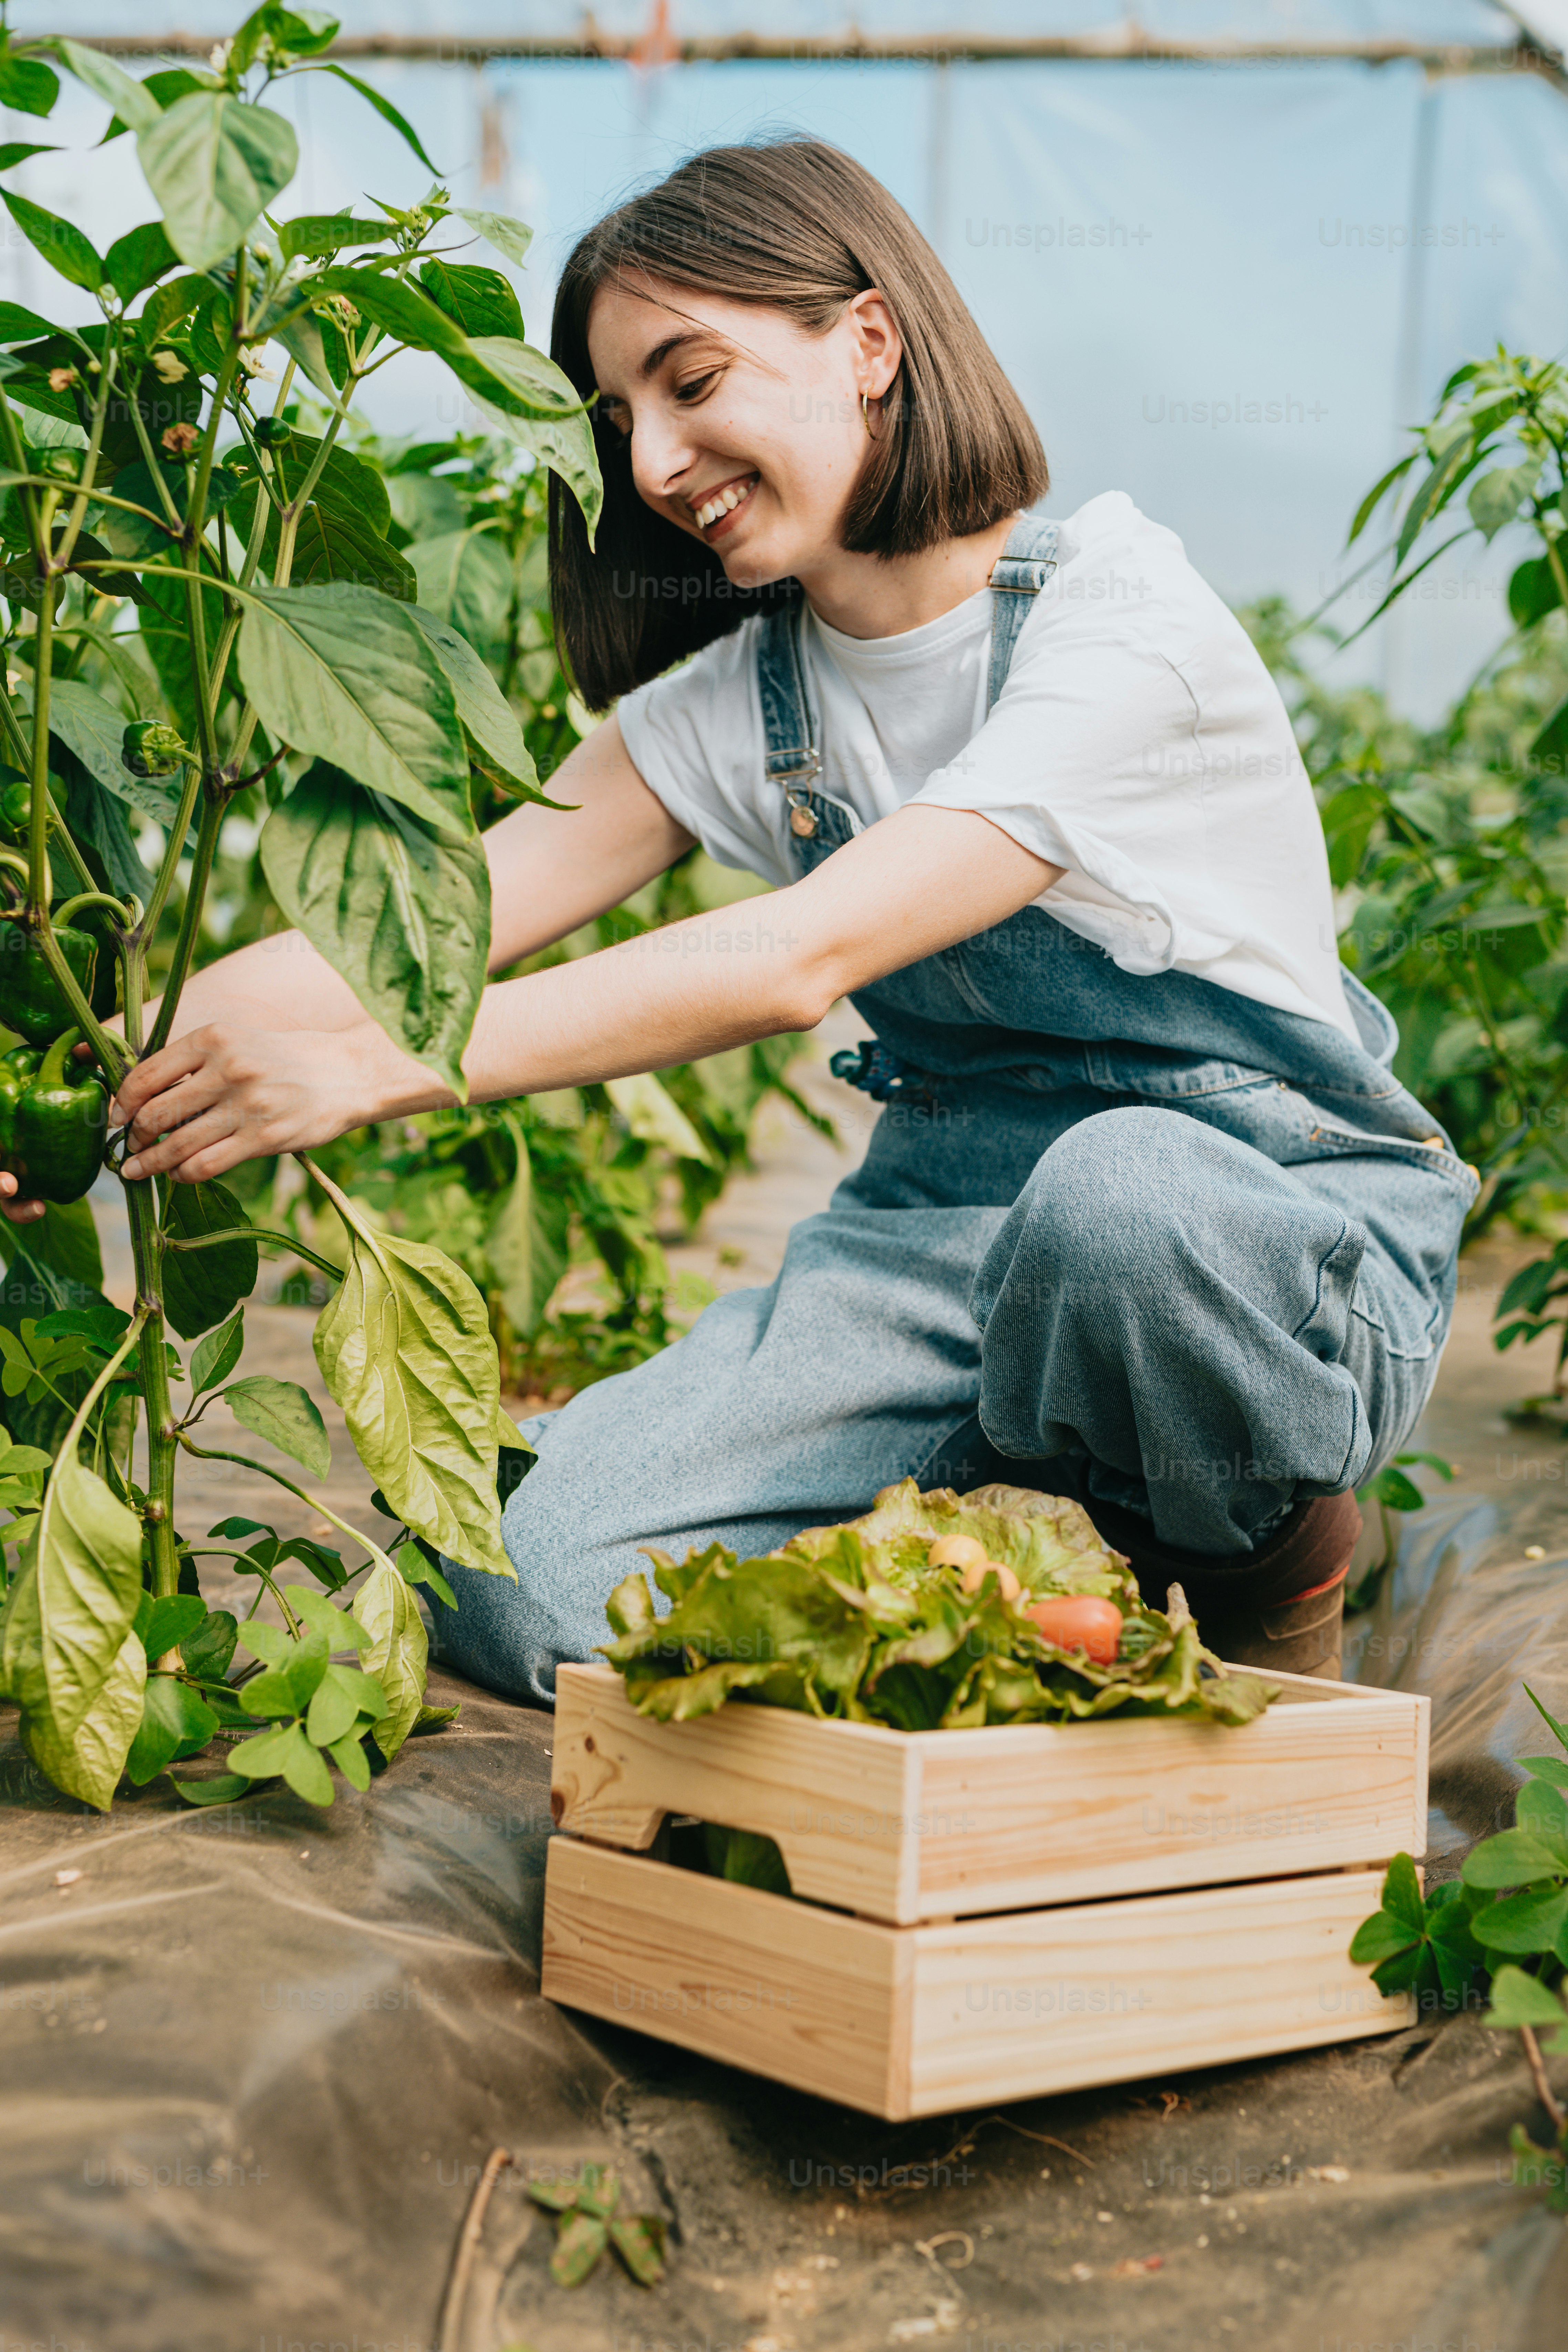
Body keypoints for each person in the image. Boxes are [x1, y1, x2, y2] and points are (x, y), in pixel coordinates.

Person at [2, 139, 1474, 1700]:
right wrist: (113, 1074)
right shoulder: (741, 699)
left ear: (867, 341)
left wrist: (377, 1068)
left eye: (689, 380)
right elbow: (432, 925)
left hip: (1248, 1236)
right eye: (619, 417)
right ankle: (978, 1547)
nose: (647, 463)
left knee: (1112, 1201)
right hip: (933, 1251)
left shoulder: (1121, 616)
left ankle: (1275, 1541)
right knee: (522, 1575)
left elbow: (798, 959)